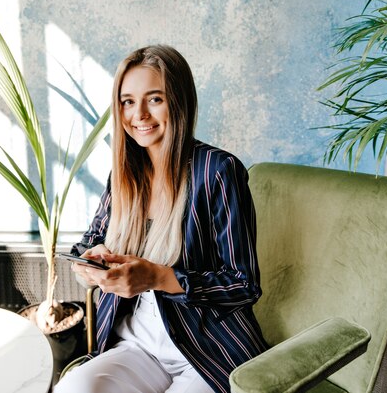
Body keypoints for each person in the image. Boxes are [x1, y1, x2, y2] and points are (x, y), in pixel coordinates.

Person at [55, 45, 267, 393]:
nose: (139, 114)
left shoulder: (218, 171)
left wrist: (158, 277)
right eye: (127, 101)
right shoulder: (125, 175)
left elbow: (243, 284)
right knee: (72, 389)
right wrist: (92, 261)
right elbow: (91, 240)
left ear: (178, 103)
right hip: (136, 344)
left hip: (207, 349)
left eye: (154, 99)